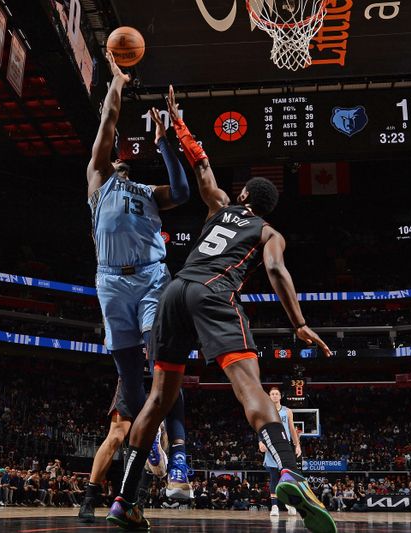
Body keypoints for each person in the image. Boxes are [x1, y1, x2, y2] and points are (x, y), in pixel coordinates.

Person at [106, 84, 336, 533]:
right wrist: (300, 324)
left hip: (175, 290)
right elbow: (277, 274)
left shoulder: (221, 204)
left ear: (245, 192)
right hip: (214, 293)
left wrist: (178, 124)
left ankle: (125, 500)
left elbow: (203, 166)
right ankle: (289, 471)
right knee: (249, 386)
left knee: (157, 400)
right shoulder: (269, 232)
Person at [79, 51, 191, 523]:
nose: (120, 159)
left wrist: (167, 144)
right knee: (129, 384)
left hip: (149, 281)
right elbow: (106, 125)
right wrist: (117, 85)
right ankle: (151, 452)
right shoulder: (99, 181)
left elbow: (183, 191)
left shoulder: (149, 193)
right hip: (109, 284)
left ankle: (179, 450)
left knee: (161, 363)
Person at [260, 386, 300, 516]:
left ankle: (289, 504)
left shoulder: (287, 411)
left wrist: (297, 445)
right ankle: (275, 506)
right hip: (271, 446)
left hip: (284, 447)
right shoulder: (265, 411)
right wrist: (260, 441)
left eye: (277, 393)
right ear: (269, 396)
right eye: (272, 394)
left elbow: (292, 429)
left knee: (287, 477)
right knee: (274, 478)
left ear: (280, 396)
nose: (275, 396)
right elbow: (260, 427)